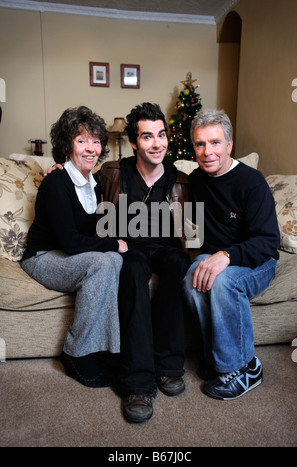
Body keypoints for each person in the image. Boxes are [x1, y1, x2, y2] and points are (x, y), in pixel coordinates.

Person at [96, 102, 191, 422]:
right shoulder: (113, 172)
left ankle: (167, 366)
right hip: (128, 249)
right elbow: (79, 189)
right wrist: (58, 171)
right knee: (133, 268)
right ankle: (137, 382)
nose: (157, 143)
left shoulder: (181, 179)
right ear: (135, 142)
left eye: (161, 135)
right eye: (147, 137)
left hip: (165, 249)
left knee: (178, 263)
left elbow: (196, 226)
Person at [21, 106, 128, 388]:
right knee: (106, 260)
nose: (90, 148)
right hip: (41, 258)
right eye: (81, 141)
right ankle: (75, 353)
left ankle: (104, 349)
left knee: (114, 262)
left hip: (66, 256)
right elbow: (70, 241)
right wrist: (112, 244)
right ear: (68, 145)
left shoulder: (93, 184)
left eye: (95, 141)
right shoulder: (56, 182)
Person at [183, 109, 280, 401]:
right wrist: (69, 170)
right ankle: (217, 357)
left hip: (257, 262)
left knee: (223, 281)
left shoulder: (252, 182)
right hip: (217, 255)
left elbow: (268, 241)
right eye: (200, 144)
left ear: (229, 145)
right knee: (190, 279)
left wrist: (226, 255)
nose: (207, 151)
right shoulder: (196, 180)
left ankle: (245, 367)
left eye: (215, 143)